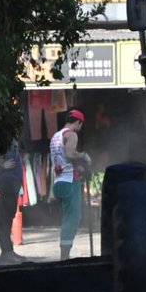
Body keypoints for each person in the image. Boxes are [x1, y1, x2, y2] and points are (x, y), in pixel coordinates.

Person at [50, 108, 91, 260]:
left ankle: (64, 255)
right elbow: (69, 154)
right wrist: (84, 156)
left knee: (67, 219)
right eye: (81, 125)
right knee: (73, 219)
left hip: (58, 183)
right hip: (69, 183)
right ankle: (64, 257)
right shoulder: (72, 135)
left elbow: (63, 160)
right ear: (78, 122)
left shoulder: (56, 136)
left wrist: (79, 169)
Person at [0, 137, 24, 264]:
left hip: (12, 184)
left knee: (8, 218)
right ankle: (6, 252)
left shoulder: (12, 136)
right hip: (6, 182)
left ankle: (8, 251)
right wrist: (1, 166)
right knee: (4, 219)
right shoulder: (2, 136)